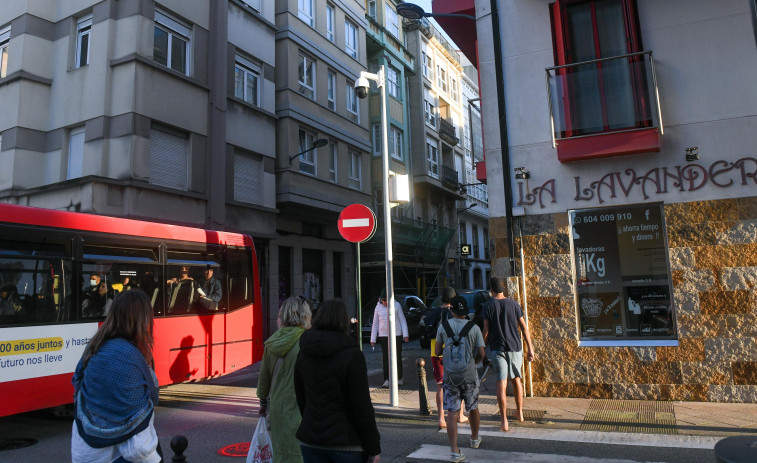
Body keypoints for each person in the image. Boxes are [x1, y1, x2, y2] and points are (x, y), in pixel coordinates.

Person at [71, 289, 162, 463]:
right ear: (143, 319)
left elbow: (77, 380)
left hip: (85, 449)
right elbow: (151, 396)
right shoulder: (134, 353)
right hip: (122, 455)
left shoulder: (95, 345)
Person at [294, 299, 381, 463]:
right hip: (346, 442)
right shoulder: (352, 355)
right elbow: (361, 406)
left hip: (311, 441)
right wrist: (373, 447)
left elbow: (301, 396)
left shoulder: (304, 352)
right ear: (343, 321)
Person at [256, 296, 312, 463]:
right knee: (300, 453)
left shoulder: (271, 343)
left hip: (277, 408)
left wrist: (263, 404)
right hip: (302, 408)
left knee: (279, 452)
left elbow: (263, 381)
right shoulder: (306, 341)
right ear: (304, 316)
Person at [481, 276, 535, 432]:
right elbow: (524, 327)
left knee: (501, 382)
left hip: (498, 348)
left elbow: (486, 330)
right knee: (517, 380)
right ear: (503, 288)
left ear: (491, 289)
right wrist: (530, 348)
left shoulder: (488, 306)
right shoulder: (513, 304)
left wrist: (482, 348)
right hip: (515, 347)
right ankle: (520, 413)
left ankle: (504, 420)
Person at [436, 295, 485, 463]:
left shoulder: (443, 327)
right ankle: (474, 438)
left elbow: (437, 351)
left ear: (452, 310)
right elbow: (482, 353)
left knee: (452, 412)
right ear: (465, 311)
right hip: (470, 375)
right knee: (473, 408)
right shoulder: (474, 328)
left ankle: (454, 451)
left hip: (450, 376)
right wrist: (474, 362)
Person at [427, 287, 468, 430]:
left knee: (440, 386)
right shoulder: (454, 314)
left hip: (435, 352)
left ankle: (441, 418)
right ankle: (460, 415)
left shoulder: (434, 312)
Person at [370, 289, 409, 387]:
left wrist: (405, 335)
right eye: (383, 300)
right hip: (383, 335)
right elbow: (375, 324)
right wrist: (372, 339)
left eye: (386, 300)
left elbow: (402, 320)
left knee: (397, 356)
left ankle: (399, 377)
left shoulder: (397, 306)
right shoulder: (378, 307)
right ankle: (387, 379)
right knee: (386, 358)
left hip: (396, 334)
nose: (385, 302)